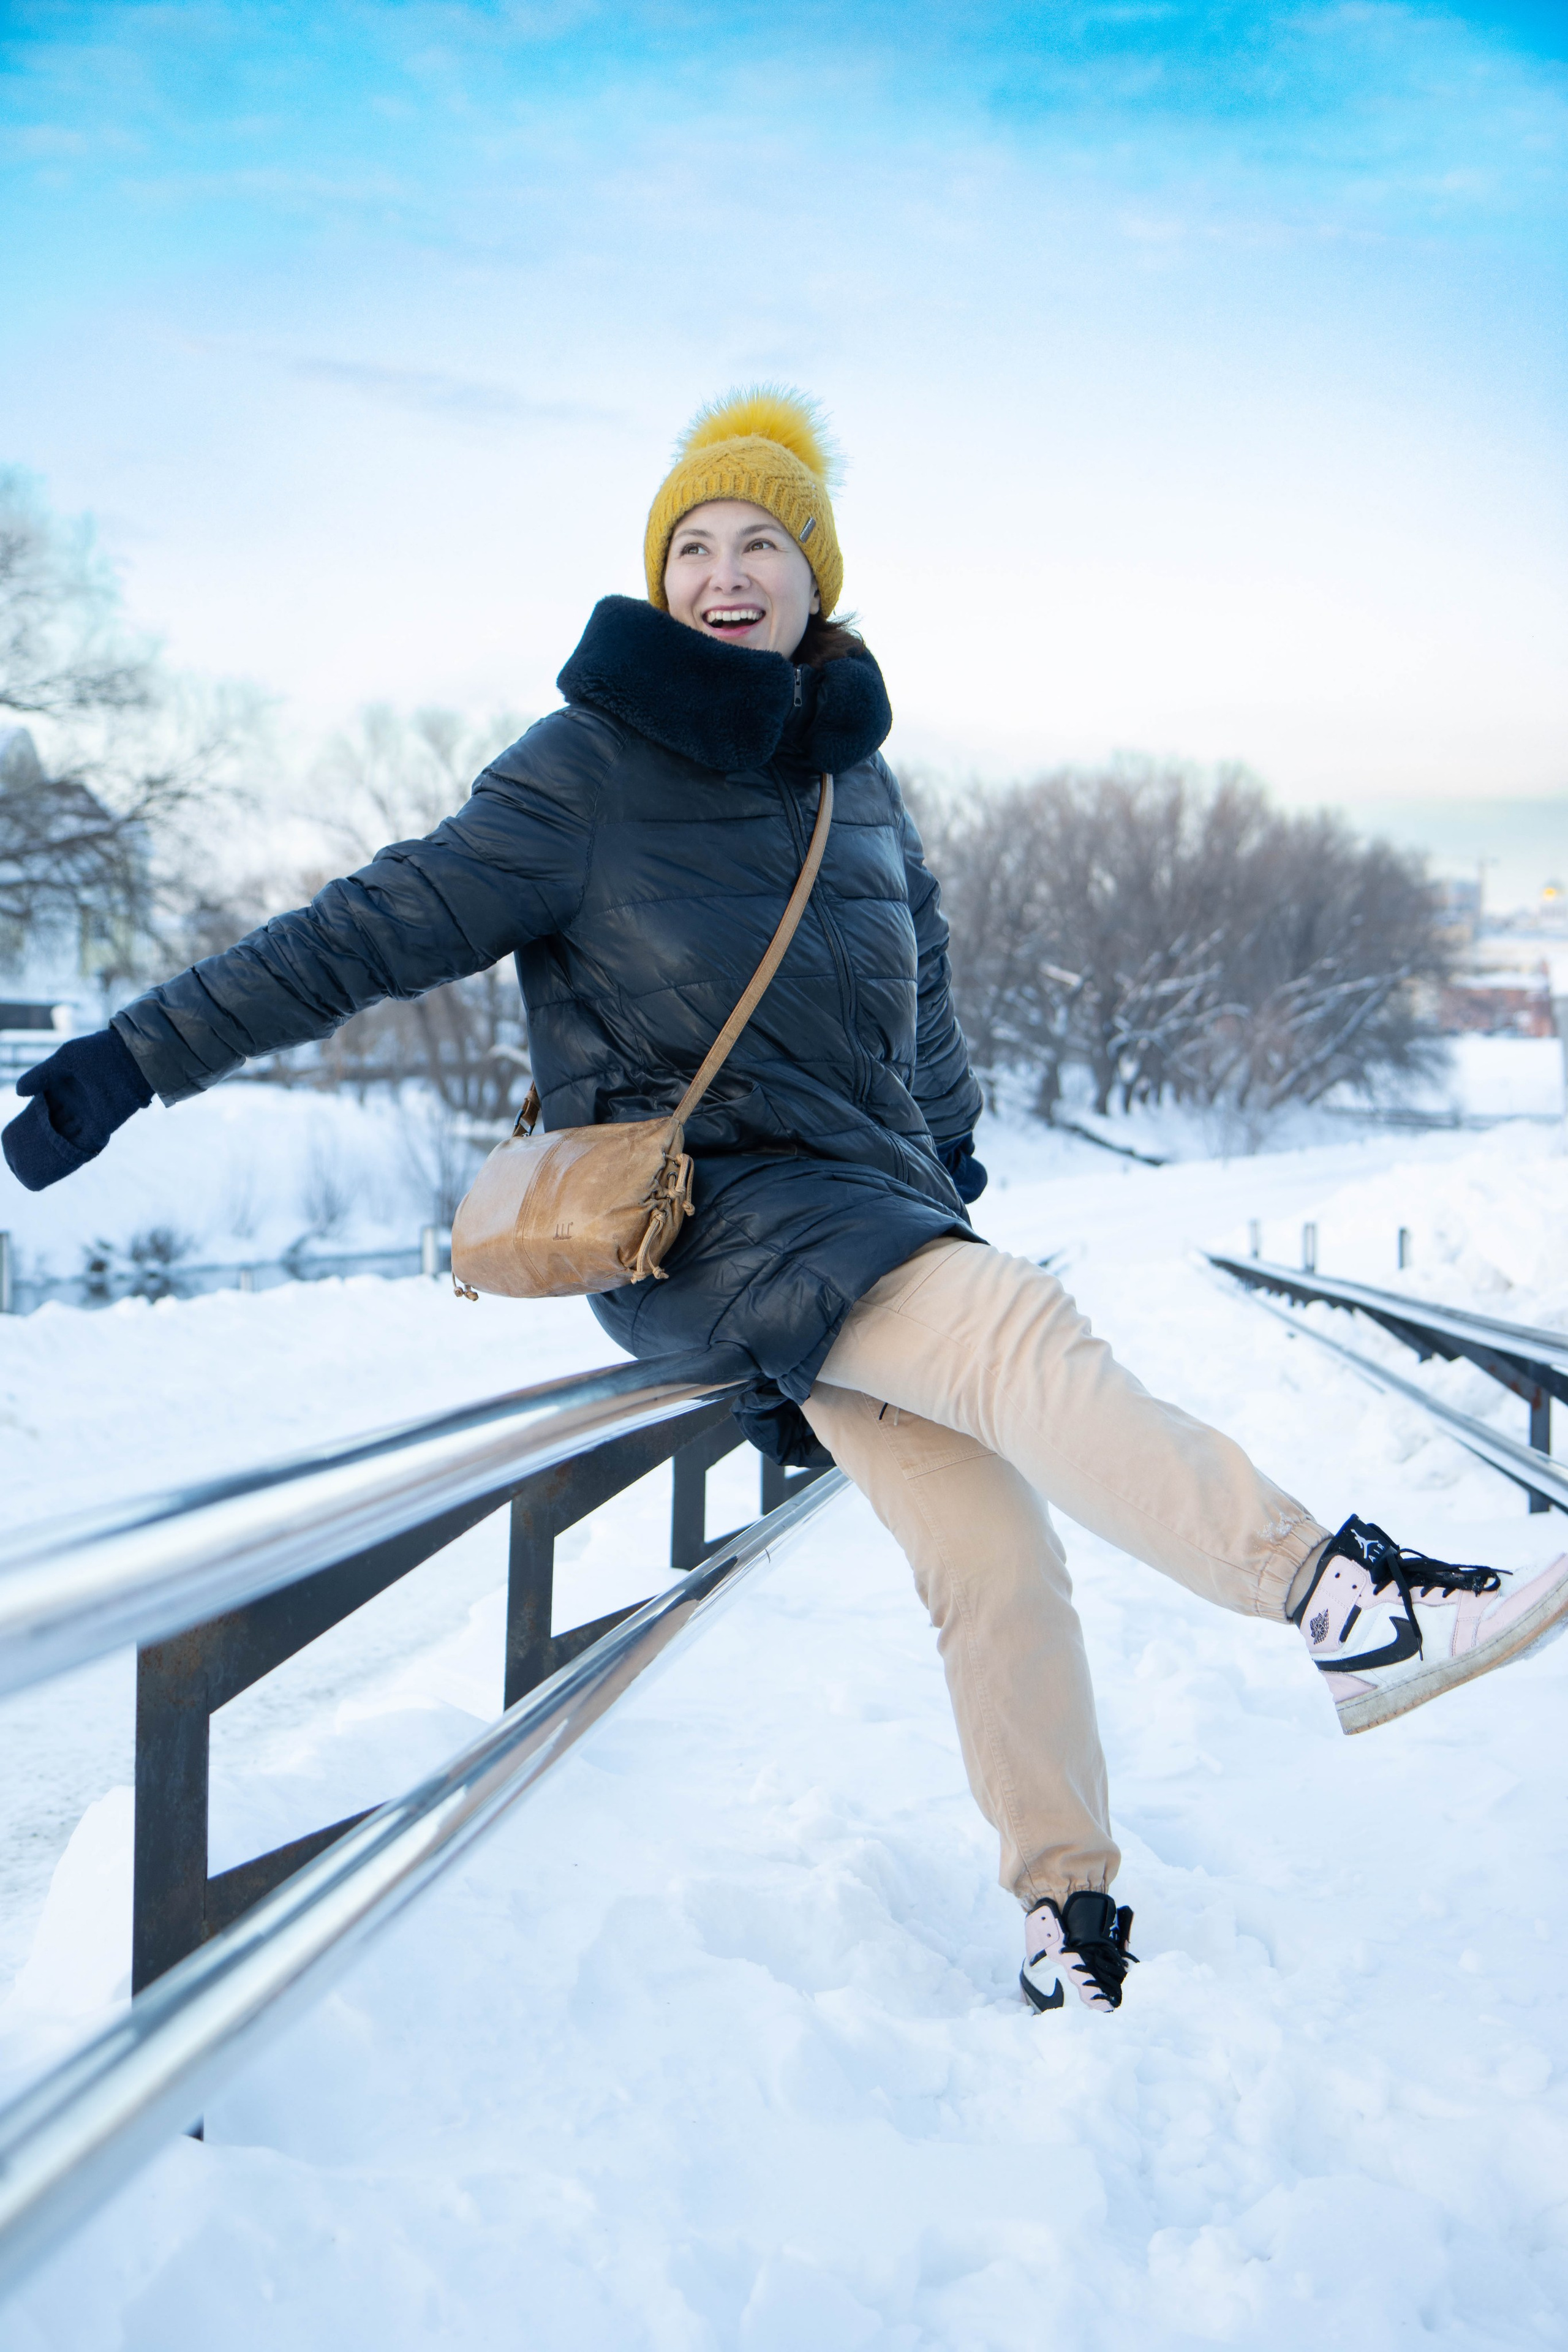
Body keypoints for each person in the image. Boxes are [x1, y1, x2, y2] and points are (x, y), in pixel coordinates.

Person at [8, 390, 1567, 2018]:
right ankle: (1340, 1597)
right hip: (703, 1225)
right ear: (659, 577)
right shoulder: (584, 770)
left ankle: (1067, 1907)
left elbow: (926, 1009)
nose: (725, 572)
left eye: (762, 542)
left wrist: (948, 1166)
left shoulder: (855, 785)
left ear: (817, 575)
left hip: (868, 1222)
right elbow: (357, 934)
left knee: (996, 1555)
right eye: (693, 545)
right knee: (1019, 1330)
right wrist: (133, 1061)